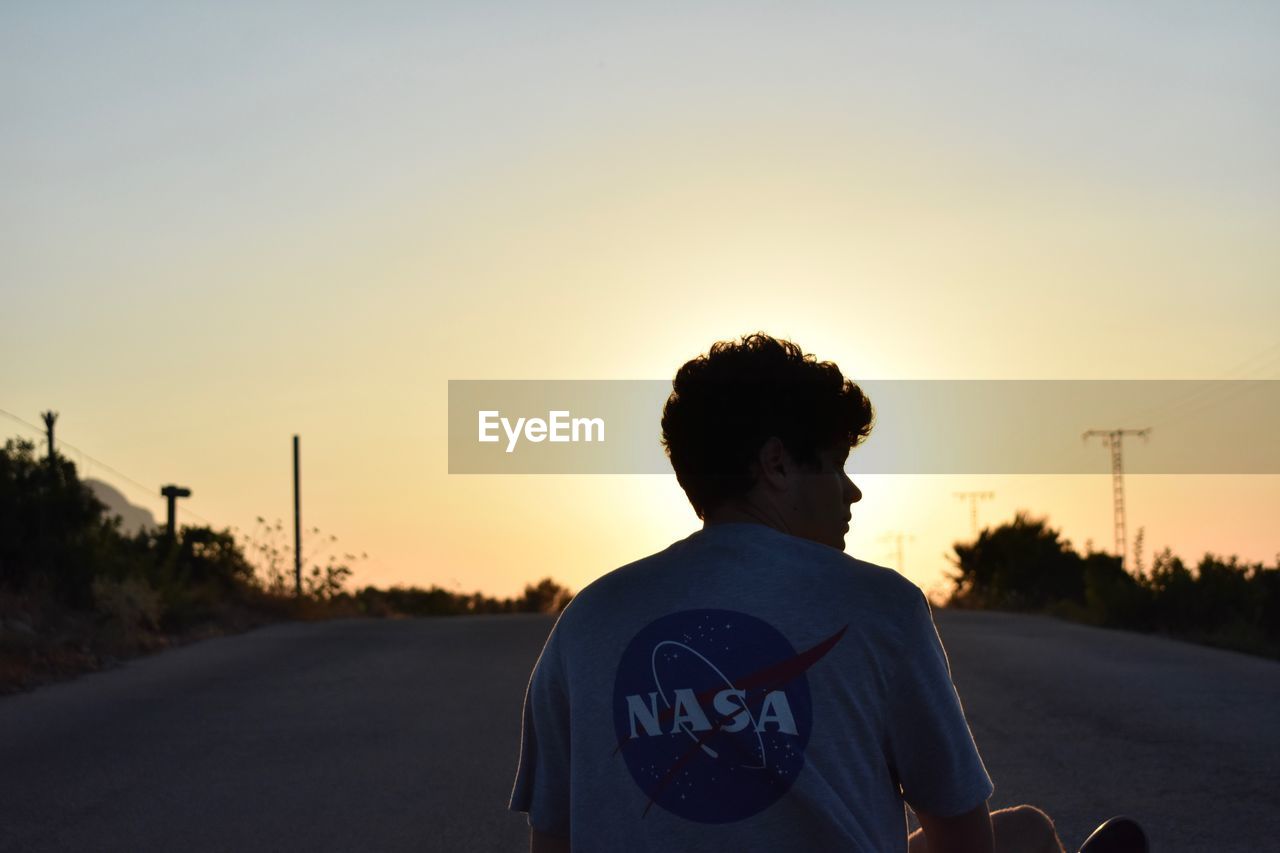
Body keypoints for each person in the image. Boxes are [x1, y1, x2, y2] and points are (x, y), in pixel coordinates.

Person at [509, 333, 1145, 853]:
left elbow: (554, 841)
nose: (852, 491)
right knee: (1024, 837)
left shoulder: (585, 620)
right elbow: (961, 835)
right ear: (778, 465)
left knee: (1025, 828)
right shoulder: (879, 604)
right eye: (837, 463)